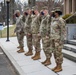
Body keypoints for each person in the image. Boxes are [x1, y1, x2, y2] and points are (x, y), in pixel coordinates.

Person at [50, 8, 66, 72]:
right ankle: (57, 65)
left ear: (57, 13)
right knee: (55, 53)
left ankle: (60, 66)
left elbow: (63, 31)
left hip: (58, 40)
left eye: (54, 12)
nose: (53, 13)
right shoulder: (54, 20)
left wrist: (61, 40)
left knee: (58, 53)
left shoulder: (60, 20)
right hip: (53, 39)